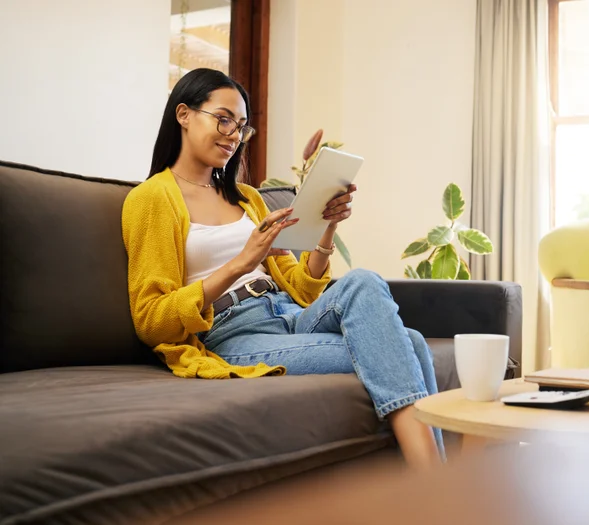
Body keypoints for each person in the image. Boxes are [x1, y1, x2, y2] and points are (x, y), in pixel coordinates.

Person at [121, 68, 443, 468]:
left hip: (290, 315)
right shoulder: (151, 198)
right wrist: (242, 264)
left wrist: (327, 231)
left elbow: (303, 290)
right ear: (184, 114)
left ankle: (430, 487)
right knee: (407, 343)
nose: (233, 134)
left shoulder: (249, 199)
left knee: (363, 280)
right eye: (223, 119)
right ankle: (434, 482)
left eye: (240, 126)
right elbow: (151, 321)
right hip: (233, 334)